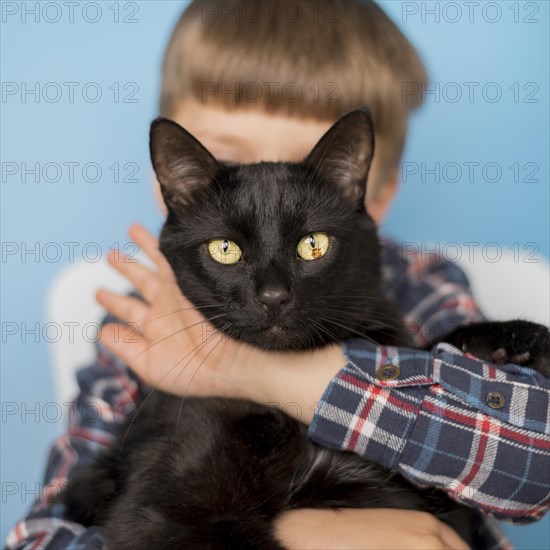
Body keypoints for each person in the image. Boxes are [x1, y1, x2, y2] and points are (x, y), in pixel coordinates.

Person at [6, 1, 549, 549]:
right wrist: (307, 537)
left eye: (310, 238)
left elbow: (534, 465)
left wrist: (265, 376)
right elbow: (41, 535)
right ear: (175, 191)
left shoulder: (421, 286)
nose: (271, 291)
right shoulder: (145, 318)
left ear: (369, 192)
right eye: (226, 162)